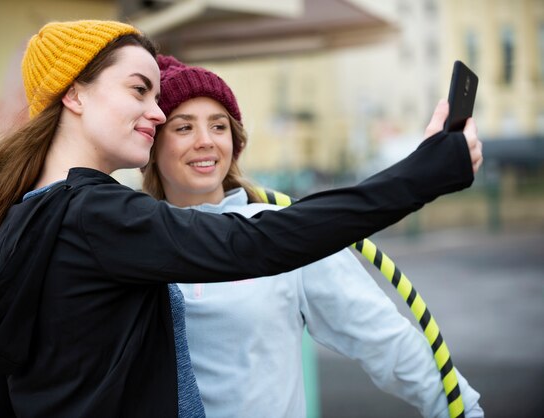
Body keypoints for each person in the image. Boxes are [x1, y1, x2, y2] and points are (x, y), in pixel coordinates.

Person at [0, 20, 482, 418]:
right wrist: (425, 172)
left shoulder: (5, 220)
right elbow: (254, 243)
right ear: (74, 93)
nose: (158, 114)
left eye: (218, 125)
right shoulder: (98, 215)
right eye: (142, 91)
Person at [141, 55, 484, 418]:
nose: (205, 141)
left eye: (219, 126)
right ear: (152, 146)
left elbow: (385, 340)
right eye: (183, 128)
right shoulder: (129, 240)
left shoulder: (289, 233)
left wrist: (465, 410)